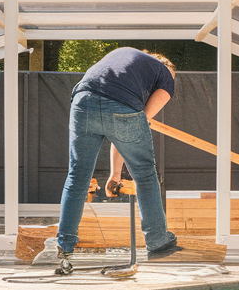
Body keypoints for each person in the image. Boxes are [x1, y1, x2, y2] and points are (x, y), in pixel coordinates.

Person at [36, 47, 182, 269]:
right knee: (144, 175)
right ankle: (157, 240)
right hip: (122, 107)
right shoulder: (165, 75)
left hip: (83, 101)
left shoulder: (125, 56)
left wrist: (115, 175)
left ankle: (64, 246)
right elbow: (137, 120)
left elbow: (119, 129)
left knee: (77, 177)